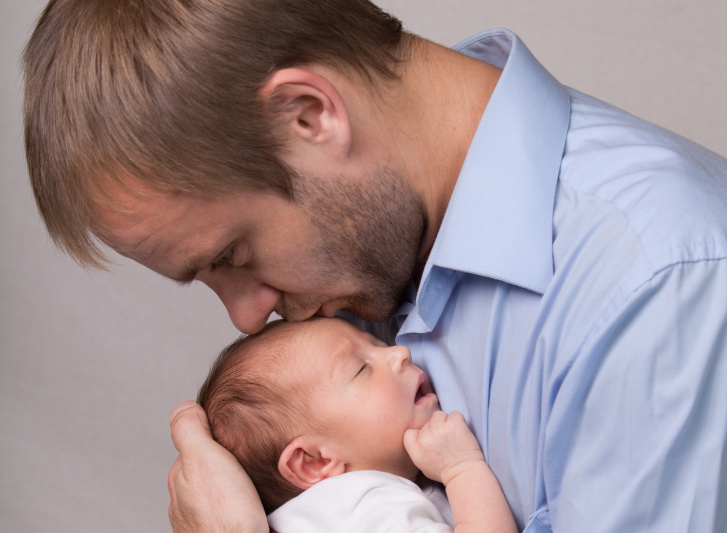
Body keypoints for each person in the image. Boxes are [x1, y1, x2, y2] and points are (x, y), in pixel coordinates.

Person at [22, 0, 727, 532]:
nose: (245, 316)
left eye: (233, 255)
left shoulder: (656, 283)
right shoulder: (369, 263)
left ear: (309, 116)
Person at [197, 317, 517, 532]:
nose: (400, 352)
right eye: (361, 369)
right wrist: (463, 470)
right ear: (314, 461)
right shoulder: (370, 506)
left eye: (377, 344)